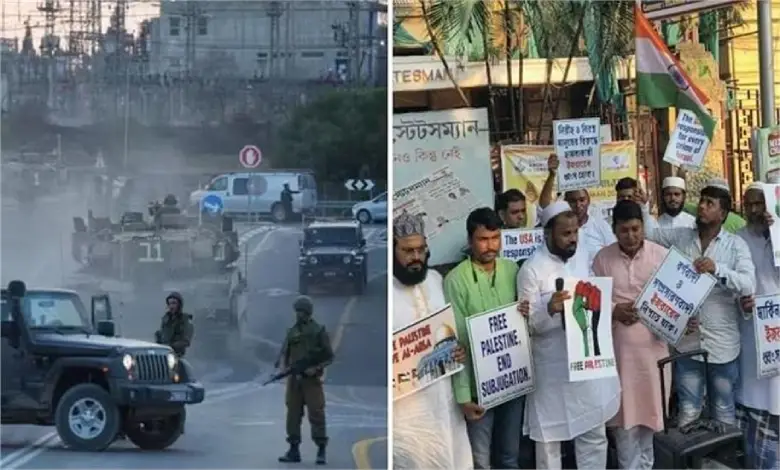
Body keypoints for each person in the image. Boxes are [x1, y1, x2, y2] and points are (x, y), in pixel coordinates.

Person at [642, 178, 755, 427]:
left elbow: (748, 284)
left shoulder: (735, 246)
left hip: (723, 345)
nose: (701, 207)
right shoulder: (682, 237)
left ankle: (719, 464)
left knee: (724, 412)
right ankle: (692, 465)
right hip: (688, 342)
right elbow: (650, 233)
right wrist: (643, 204)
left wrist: (718, 269)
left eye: (709, 203)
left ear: (723, 213)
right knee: (688, 412)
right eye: (702, 201)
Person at [516, 200, 621, 469]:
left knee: (593, 434)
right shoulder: (531, 269)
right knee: (549, 442)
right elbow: (527, 325)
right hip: (552, 370)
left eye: (574, 232)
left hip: (585, 361)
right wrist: (549, 308)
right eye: (565, 234)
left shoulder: (582, 258)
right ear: (548, 234)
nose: (572, 239)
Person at [443, 207, 527, 469]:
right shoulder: (456, 280)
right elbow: (454, 341)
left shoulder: (511, 269)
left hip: (512, 381)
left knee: (509, 458)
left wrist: (527, 311)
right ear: (470, 241)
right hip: (478, 387)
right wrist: (464, 397)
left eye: (495, 238)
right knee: (480, 462)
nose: (490, 246)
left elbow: (523, 325)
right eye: (483, 239)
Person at [591, 200, 670, 469]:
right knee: (624, 424)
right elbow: (592, 302)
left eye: (636, 229)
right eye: (624, 231)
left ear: (643, 226)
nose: (631, 236)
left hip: (653, 352)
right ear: (614, 230)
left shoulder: (660, 255)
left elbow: (674, 302)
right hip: (619, 354)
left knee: (650, 418)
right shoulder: (602, 259)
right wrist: (614, 310)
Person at [392, 211, 473, 470]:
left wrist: (457, 350)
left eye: (421, 250)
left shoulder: (437, 281)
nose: (416, 257)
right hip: (405, 410)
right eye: (407, 251)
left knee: (454, 460)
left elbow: (449, 332)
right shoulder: (388, 293)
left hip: (444, 402)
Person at [735, 182, 780, 470]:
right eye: (748, 204)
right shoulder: (736, 240)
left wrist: (775, 235)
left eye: (759, 204)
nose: (753, 210)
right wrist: (740, 301)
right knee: (754, 400)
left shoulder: (779, 234)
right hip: (751, 332)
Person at [276, 295, 334, 465]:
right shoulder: (292, 331)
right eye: (297, 311)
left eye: (301, 311)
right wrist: (285, 368)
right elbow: (286, 353)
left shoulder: (318, 330)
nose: (298, 314)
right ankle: (293, 449)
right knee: (293, 414)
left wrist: (315, 368)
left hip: (311, 381)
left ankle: (321, 449)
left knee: (316, 413)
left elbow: (329, 356)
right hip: (294, 381)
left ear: (307, 312)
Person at [154, 292, 194, 357]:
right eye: (169, 303)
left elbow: (186, 341)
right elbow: (162, 335)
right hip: (164, 354)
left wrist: (170, 346)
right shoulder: (166, 319)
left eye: (174, 303)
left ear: (179, 304)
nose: (171, 306)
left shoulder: (185, 320)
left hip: (177, 355)